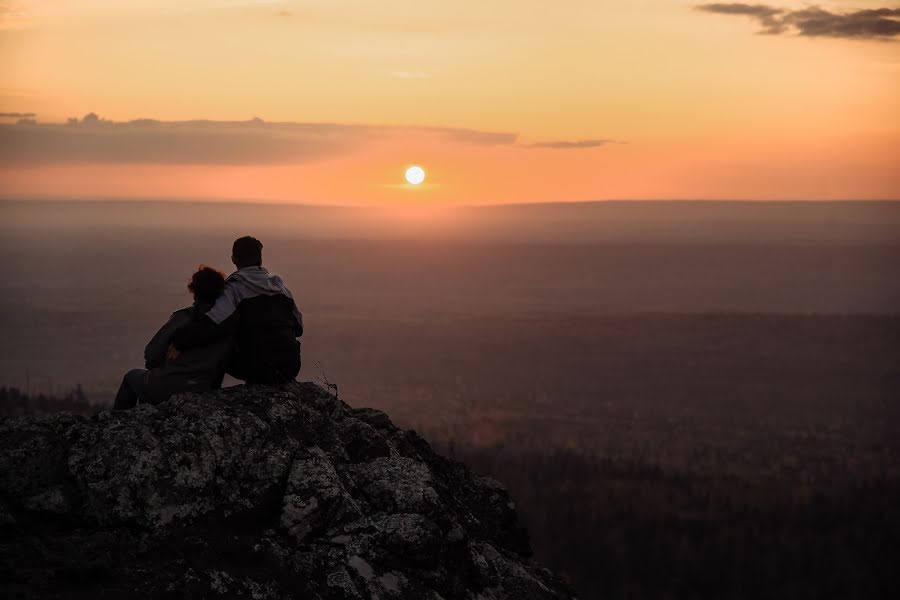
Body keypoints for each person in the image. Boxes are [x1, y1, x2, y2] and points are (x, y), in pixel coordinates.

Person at [171, 236, 303, 384]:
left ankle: (204, 389)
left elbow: (214, 323)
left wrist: (177, 339)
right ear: (260, 259)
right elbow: (298, 327)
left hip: (255, 367)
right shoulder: (280, 287)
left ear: (233, 258)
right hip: (291, 366)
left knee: (220, 339)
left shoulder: (234, 287)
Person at [113, 266, 235, 410]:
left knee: (132, 377)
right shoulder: (226, 325)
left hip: (169, 385)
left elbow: (151, 353)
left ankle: (121, 424)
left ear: (194, 291)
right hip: (203, 388)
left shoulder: (183, 318)